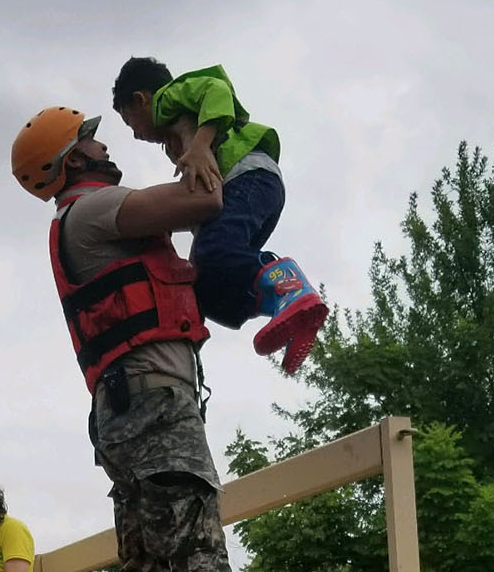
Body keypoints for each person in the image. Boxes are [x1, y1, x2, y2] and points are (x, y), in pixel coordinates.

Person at [8, 105, 276, 572]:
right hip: (154, 406)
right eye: (93, 140)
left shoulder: (81, 219)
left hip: (126, 410)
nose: (108, 146)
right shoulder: (94, 210)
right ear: (73, 160)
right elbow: (206, 198)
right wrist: (197, 140)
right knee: (198, 557)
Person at [109, 58, 329, 374]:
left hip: (248, 177)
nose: (135, 135)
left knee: (216, 251)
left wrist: (199, 144)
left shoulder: (170, 97)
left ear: (141, 99)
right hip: (250, 191)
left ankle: (290, 287)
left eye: (131, 123)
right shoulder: (175, 132)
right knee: (207, 284)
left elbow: (217, 88)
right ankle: (285, 309)